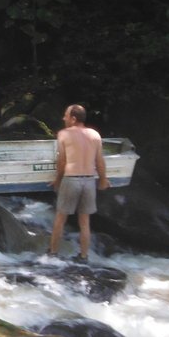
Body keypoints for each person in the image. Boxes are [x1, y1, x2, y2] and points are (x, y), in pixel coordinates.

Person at [48, 104, 110, 262]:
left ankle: (53, 253)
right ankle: (83, 256)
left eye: (66, 115)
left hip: (71, 179)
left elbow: (62, 162)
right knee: (84, 221)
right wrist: (103, 179)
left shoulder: (64, 134)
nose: (63, 118)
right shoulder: (95, 135)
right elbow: (99, 161)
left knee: (60, 218)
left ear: (73, 119)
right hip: (89, 180)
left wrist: (57, 180)